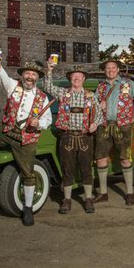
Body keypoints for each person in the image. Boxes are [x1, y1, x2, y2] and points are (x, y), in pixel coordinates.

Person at [0, 57, 52, 226]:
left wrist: (38, 122)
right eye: (27, 73)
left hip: (26, 138)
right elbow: (1, 75)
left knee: (28, 174)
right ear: (22, 75)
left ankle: (28, 208)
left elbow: (48, 120)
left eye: (33, 74)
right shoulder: (12, 86)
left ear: (37, 78)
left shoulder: (42, 97)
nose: (30, 77)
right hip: (7, 131)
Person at [44, 62, 103, 214]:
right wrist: (49, 71)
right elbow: (48, 87)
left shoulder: (91, 96)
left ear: (84, 79)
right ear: (70, 79)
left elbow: (99, 115)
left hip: (85, 137)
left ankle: (88, 199)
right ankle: (67, 200)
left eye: (79, 76)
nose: (76, 78)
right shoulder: (64, 94)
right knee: (67, 169)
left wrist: (95, 124)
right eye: (73, 76)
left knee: (86, 169)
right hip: (67, 136)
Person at [93, 59, 134, 206]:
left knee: (125, 159)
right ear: (104, 71)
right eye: (107, 68)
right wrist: (99, 106)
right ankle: (103, 193)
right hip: (104, 125)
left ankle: (130, 193)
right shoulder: (100, 87)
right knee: (101, 159)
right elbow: (93, 108)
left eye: (113, 68)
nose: (110, 70)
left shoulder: (128, 84)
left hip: (123, 125)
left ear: (118, 69)